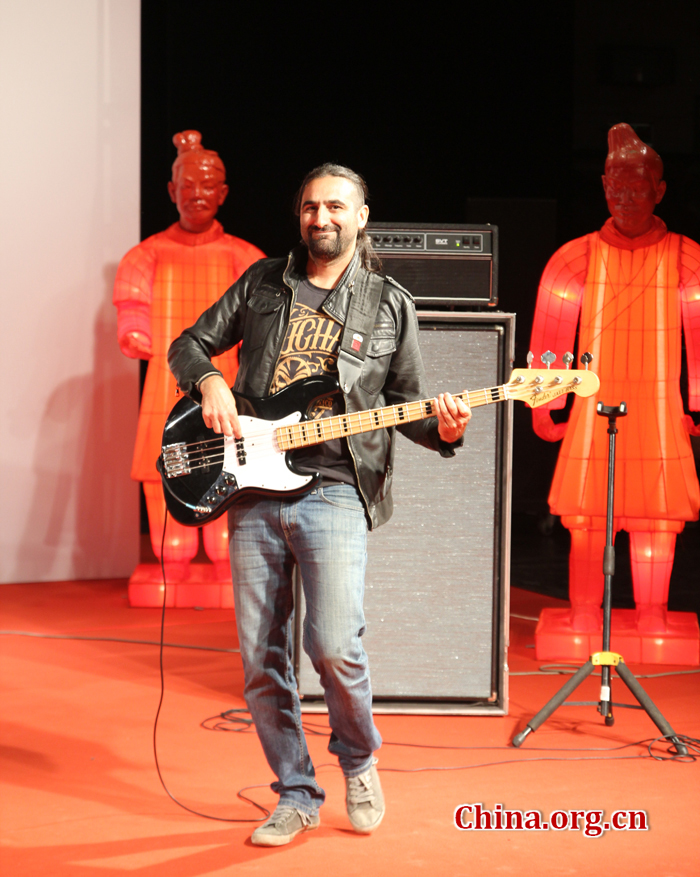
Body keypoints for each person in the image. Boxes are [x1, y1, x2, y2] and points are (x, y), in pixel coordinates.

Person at [168, 164, 472, 845]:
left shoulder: (388, 304)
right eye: (310, 206)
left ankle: (358, 761)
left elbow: (405, 407)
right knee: (259, 658)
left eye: (335, 206)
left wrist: (445, 428)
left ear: (362, 217)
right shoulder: (261, 283)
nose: (320, 217)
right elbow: (187, 342)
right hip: (251, 488)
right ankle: (296, 791)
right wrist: (210, 381)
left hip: (335, 487)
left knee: (333, 644)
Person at [530, 123, 700, 641]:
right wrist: (545, 403)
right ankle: (584, 614)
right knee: (586, 521)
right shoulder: (573, 259)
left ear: (660, 190)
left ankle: (653, 614)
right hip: (592, 407)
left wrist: (697, 403)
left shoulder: (688, 259)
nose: (626, 197)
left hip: (658, 410)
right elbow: (551, 339)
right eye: (617, 187)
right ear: (604, 187)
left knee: (656, 521)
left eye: (638, 186)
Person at [113, 131, 265, 590]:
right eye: (188, 185)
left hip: (229, 385)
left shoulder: (246, 259)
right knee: (162, 463)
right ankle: (170, 555)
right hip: (166, 380)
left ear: (222, 194)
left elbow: (263, 324)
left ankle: (223, 552)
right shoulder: (146, 255)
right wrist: (135, 332)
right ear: (171, 191)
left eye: (208, 185)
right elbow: (132, 311)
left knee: (230, 460)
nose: (197, 195)